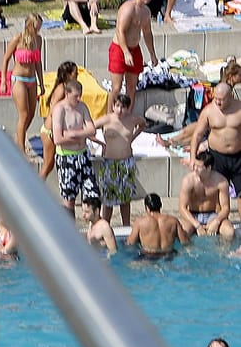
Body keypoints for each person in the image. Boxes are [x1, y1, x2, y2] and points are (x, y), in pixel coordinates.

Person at [51, 80, 101, 218]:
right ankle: (70, 233)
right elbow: (58, 139)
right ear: (67, 94)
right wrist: (81, 134)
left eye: (80, 95)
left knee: (93, 196)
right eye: (75, 96)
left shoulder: (82, 107)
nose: (78, 99)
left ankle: (95, 231)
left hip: (83, 156)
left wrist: (73, 134)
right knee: (69, 199)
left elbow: (92, 130)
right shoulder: (59, 110)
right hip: (67, 158)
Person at [94, 94, 145, 226]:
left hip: (126, 162)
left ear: (128, 108)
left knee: (125, 199)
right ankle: (105, 226)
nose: (119, 110)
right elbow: (88, 129)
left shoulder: (132, 119)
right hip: (110, 163)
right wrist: (101, 143)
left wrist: (132, 138)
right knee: (108, 200)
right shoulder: (106, 120)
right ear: (113, 106)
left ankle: (126, 226)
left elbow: (143, 124)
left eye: (123, 107)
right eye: (117, 106)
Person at [1, 14, 45, 156]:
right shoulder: (17, 39)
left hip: (31, 80)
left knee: (31, 114)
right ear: (30, 25)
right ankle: (20, 149)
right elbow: (6, 59)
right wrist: (3, 81)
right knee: (24, 114)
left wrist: (41, 83)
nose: (39, 30)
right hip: (18, 79)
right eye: (37, 27)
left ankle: (19, 137)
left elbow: (38, 63)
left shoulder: (38, 40)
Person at [189, 84, 241, 202]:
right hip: (217, 156)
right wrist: (192, 158)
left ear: (230, 97)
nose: (217, 102)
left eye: (221, 99)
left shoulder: (239, 108)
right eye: (215, 98)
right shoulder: (208, 111)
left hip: (238, 156)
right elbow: (197, 135)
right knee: (218, 193)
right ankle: (221, 220)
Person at [110, 0, 156, 112]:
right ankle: (109, 117)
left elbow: (147, 33)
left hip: (134, 49)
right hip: (120, 48)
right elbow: (120, 31)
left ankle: (128, 116)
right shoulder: (128, 8)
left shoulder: (146, 12)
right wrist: (125, 52)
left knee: (131, 87)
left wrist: (152, 54)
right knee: (117, 87)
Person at [181, 151, 235, 240]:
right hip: (192, 216)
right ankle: (189, 251)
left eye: (199, 167)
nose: (195, 169)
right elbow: (182, 208)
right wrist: (197, 225)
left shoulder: (221, 181)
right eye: (194, 165)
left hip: (213, 215)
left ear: (208, 168)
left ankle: (222, 252)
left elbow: (225, 208)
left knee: (229, 232)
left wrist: (216, 221)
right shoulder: (188, 181)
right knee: (183, 233)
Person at [127, 192, 189, 261]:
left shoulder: (140, 222)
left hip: (148, 256)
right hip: (169, 255)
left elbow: (130, 243)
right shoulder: (173, 221)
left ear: (146, 208)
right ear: (160, 205)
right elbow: (185, 241)